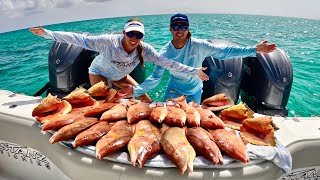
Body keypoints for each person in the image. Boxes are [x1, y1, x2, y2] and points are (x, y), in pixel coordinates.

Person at [29, 18, 209, 102]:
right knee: (106, 101)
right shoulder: (108, 42)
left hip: (120, 75)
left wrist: (194, 71)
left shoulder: (145, 49)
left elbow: (168, 62)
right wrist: (47, 34)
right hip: (99, 73)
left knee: (144, 98)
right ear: (124, 33)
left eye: (138, 35)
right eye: (131, 33)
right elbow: (79, 39)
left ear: (142, 37)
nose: (134, 37)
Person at [121, 14, 277, 104]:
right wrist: (135, 90)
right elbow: (155, 78)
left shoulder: (200, 45)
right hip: (173, 92)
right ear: (170, 29)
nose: (179, 31)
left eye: (183, 27)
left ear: (188, 28)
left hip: (195, 92)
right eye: (175, 27)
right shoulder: (165, 52)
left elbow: (225, 52)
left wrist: (255, 50)